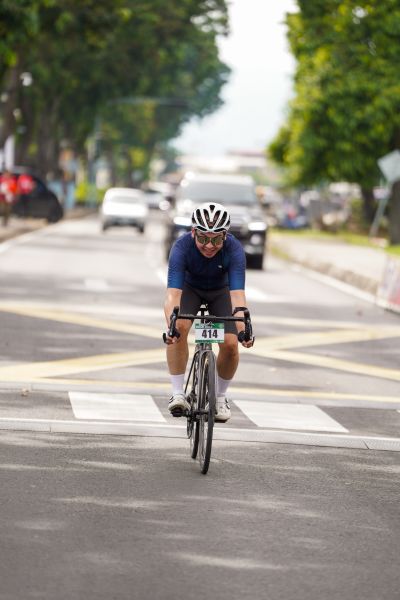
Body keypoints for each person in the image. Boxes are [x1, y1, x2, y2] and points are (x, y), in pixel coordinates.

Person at [164, 202, 254, 423]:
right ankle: (178, 393)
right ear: (193, 232)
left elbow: (238, 297)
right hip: (190, 289)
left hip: (220, 292)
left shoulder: (234, 249)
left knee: (230, 344)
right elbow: (173, 296)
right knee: (179, 328)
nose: (209, 246)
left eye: (216, 239)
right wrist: (171, 326)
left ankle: (220, 397)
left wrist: (243, 330)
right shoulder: (181, 247)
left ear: (225, 235)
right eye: (203, 238)